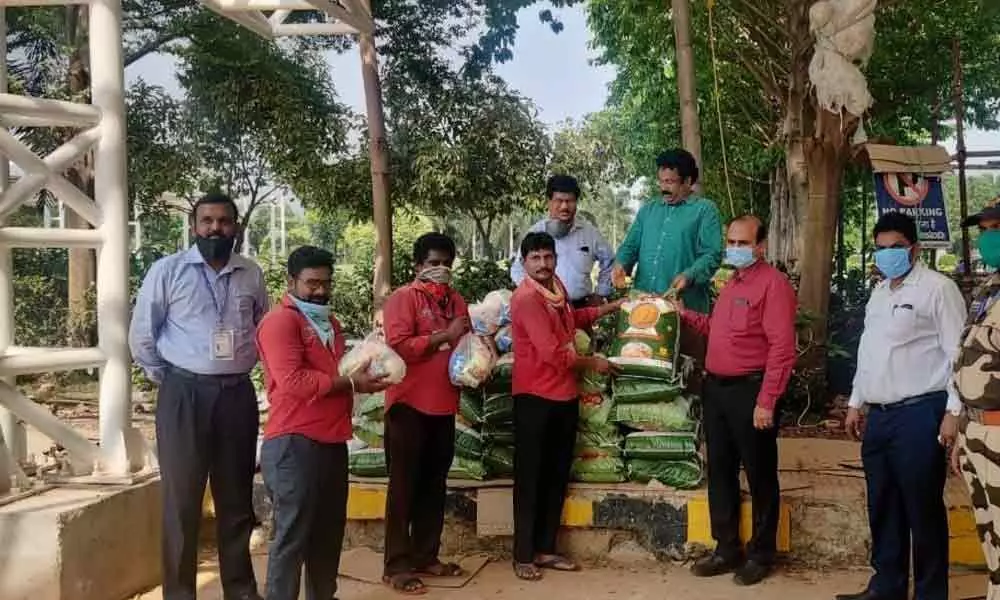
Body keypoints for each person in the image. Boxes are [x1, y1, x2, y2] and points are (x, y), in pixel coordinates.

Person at [129, 192, 269, 600]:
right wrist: (174, 380)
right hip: (183, 395)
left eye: (224, 221)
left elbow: (263, 328)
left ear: (236, 228)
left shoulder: (251, 273)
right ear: (193, 227)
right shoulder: (167, 271)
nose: (215, 228)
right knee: (182, 501)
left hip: (236, 396)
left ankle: (241, 591)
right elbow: (142, 336)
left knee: (236, 498)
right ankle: (179, 594)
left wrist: (239, 367)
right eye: (206, 221)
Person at [836, 212, 965, 600]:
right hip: (881, 415)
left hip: (920, 413)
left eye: (895, 247)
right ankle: (887, 586)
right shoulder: (880, 293)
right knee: (883, 504)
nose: (887, 255)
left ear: (915, 248)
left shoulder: (937, 289)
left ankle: (929, 593)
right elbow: (869, 352)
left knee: (922, 508)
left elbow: (957, 353)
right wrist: (856, 402)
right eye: (880, 248)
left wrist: (953, 412)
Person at [255, 246, 390, 600]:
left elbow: (337, 372)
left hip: (331, 442)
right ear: (291, 282)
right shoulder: (280, 322)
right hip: (292, 443)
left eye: (325, 283)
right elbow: (293, 382)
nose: (319, 290)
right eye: (311, 283)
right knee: (291, 538)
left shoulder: (330, 323)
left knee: (328, 536)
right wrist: (350, 383)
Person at [680, 215, 797, 586]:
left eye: (742, 243)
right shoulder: (731, 283)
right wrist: (685, 316)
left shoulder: (773, 285)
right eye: (731, 242)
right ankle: (726, 547)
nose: (734, 249)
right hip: (716, 390)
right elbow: (720, 330)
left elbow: (782, 348)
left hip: (751, 390)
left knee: (760, 472)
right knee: (720, 470)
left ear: (760, 247)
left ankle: (762, 553)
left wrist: (767, 401)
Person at [510, 232, 623, 582]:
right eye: (536, 259)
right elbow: (554, 353)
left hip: (563, 397)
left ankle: (546, 548)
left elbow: (572, 320)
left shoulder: (555, 288)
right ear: (524, 262)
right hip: (534, 398)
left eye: (548, 257)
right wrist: (595, 363)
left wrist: (611, 307)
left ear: (556, 259)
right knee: (531, 478)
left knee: (556, 476)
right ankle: (523, 554)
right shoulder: (527, 298)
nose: (543, 264)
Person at [380, 233, 471, 595]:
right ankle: (396, 566)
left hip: (444, 406)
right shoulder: (403, 299)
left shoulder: (456, 301)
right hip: (408, 406)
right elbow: (399, 346)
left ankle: (426, 555)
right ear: (418, 266)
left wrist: (478, 357)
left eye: (446, 263)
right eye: (433, 263)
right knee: (403, 488)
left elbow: (466, 342)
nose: (440, 270)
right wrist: (443, 336)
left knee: (435, 484)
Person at [952, 198, 1000, 600]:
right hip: (977, 432)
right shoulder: (990, 287)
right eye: (983, 231)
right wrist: (964, 428)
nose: (988, 238)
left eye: (996, 229)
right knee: (991, 539)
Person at [614, 149, 722, 313]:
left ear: (687, 181)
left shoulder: (705, 210)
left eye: (670, 182)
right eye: (661, 181)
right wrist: (621, 263)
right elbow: (630, 246)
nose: (663, 188)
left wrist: (689, 275)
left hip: (684, 307)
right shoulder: (648, 210)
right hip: (643, 305)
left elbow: (712, 254)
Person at [510, 174, 616, 308]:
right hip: (545, 308)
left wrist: (601, 293)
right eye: (559, 200)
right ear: (549, 202)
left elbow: (610, 261)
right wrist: (534, 295)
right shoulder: (535, 233)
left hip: (581, 307)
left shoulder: (590, 233)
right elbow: (517, 269)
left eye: (570, 201)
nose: (564, 206)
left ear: (576, 202)